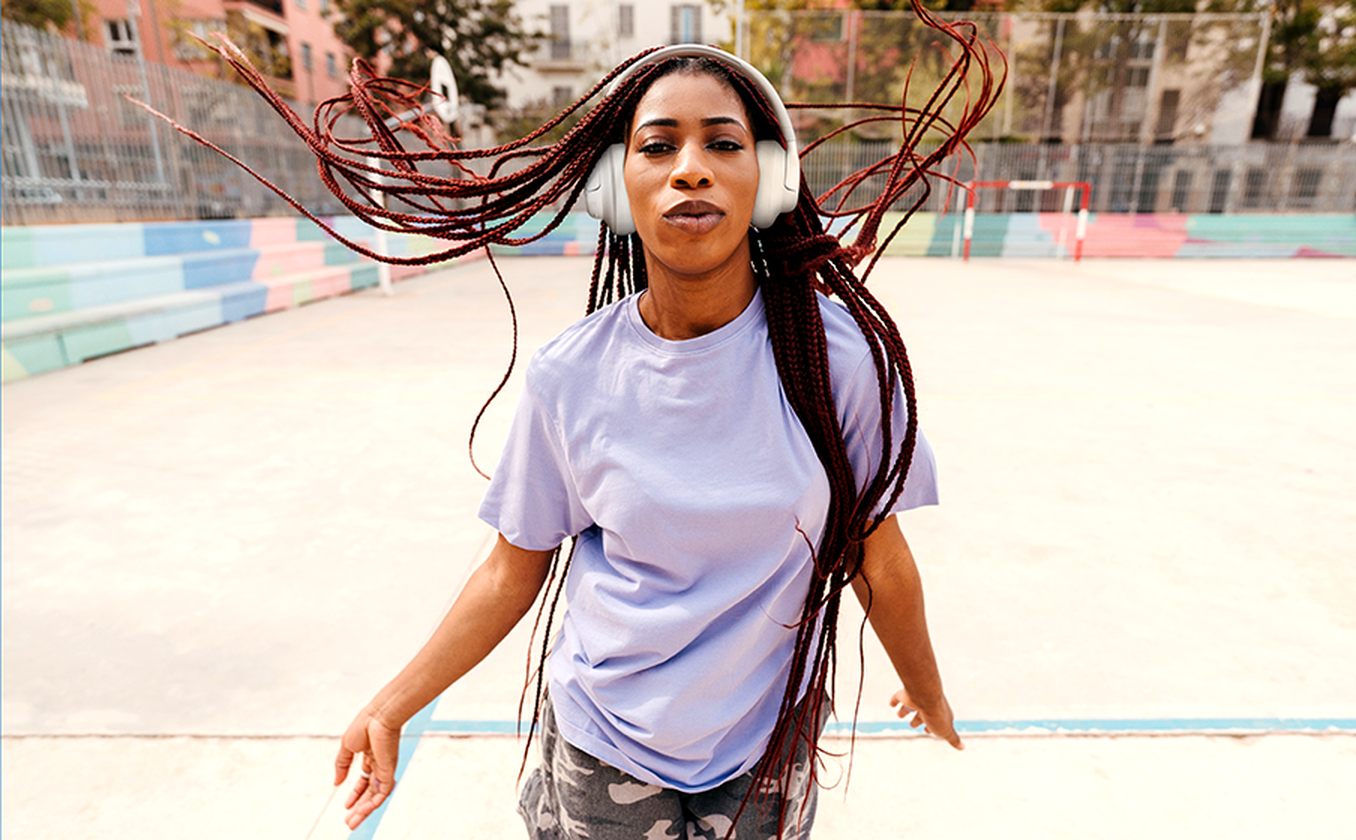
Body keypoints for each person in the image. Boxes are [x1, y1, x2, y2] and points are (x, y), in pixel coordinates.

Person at [163, 13, 1001, 839]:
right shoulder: (571, 375)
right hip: (605, 744)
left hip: (766, 745)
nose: (691, 170)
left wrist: (927, 689)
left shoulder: (839, 360)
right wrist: (392, 706)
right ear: (614, 187)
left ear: (771, 180)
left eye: (723, 143)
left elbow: (879, 557)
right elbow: (510, 570)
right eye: (658, 146)